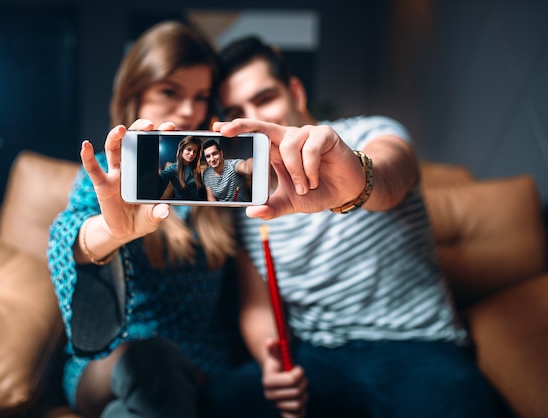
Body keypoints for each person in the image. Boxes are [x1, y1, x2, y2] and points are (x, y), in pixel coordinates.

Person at [203, 36, 506, 417]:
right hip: (317, 358)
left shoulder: (370, 133)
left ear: (295, 92)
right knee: (220, 401)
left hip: (419, 346)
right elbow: (256, 304)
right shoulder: (243, 194)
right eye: (237, 110)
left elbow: (393, 173)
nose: (257, 119)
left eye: (264, 99)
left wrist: (358, 180)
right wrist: (272, 364)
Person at [47, 21, 239, 418]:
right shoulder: (106, 175)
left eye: (201, 96)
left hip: (201, 365)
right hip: (111, 361)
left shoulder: (217, 184)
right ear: (136, 93)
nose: (189, 110)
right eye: (170, 91)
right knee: (152, 360)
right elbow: (72, 235)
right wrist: (111, 231)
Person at [159, 135, 206, 200]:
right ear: (182, 150)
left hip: (198, 204)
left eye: (195, 151)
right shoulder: (173, 168)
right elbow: (159, 185)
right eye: (189, 149)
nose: (192, 153)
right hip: (181, 205)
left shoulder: (196, 168)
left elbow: (202, 192)